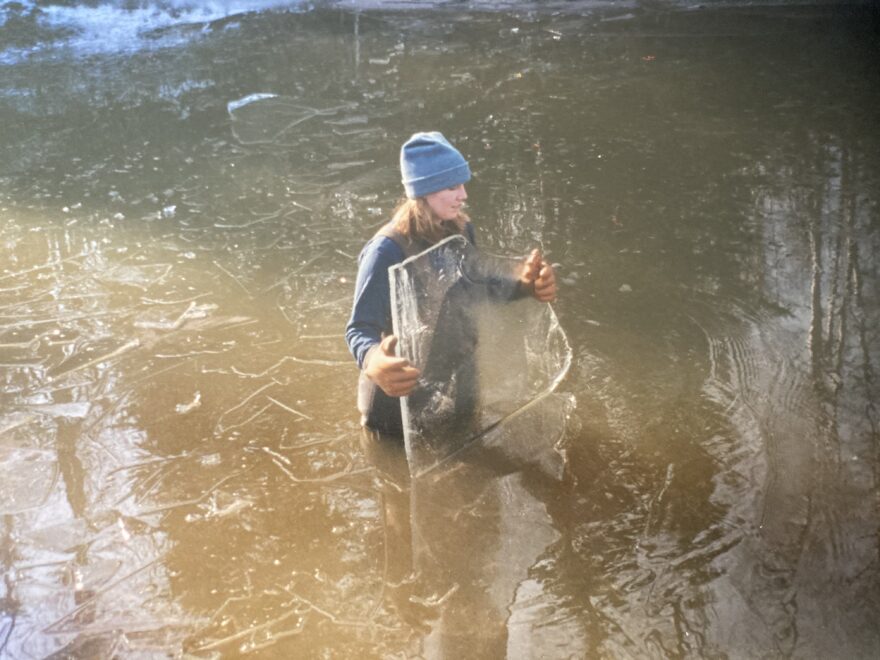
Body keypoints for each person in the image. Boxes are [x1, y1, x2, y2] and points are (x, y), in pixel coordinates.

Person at [345, 131, 557, 436]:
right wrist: (374, 359)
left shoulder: (460, 229)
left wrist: (524, 286)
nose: (463, 194)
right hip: (397, 390)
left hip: (450, 378)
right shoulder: (386, 250)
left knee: (468, 452)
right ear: (424, 191)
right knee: (395, 465)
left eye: (463, 184)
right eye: (451, 186)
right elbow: (359, 328)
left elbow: (476, 286)